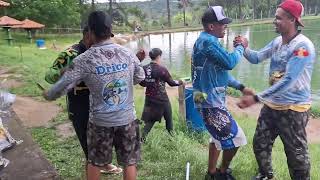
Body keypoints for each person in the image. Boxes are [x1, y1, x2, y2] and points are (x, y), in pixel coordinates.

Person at [43, 11, 145, 180]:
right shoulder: (127, 53)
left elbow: (60, 87)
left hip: (100, 122)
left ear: (90, 31)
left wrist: (48, 94)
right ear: (110, 30)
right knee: (129, 162)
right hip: (127, 118)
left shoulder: (84, 59)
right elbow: (140, 77)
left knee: (94, 162)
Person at [238, 1, 315, 179]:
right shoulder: (278, 42)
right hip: (272, 106)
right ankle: (266, 175)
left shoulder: (302, 47)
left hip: (293, 109)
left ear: (291, 20)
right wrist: (243, 47)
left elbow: (288, 81)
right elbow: (257, 58)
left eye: (278, 18)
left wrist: (256, 98)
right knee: (260, 143)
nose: (275, 21)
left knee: (296, 155)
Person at [44, 26, 123, 175]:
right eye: (99, 36)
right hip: (80, 103)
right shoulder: (71, 53)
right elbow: (49, 75)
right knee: (85, 135)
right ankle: (97, 165)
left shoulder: (101, 51)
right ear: (88, 35)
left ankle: (102, 162)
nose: (103, 40)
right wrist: (66, 72)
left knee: (102, 135)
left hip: (100, 101)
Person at [191, 6, 253, 180]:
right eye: (222, 24)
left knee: (217, 137)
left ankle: (211, 173)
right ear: (211, 26)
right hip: (209, 102)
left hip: (204, 98)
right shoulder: (208, 42)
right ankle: (223, 172)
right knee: (236, 139)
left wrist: (240, 87)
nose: (225, 27)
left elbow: (220, 73)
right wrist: (241, 47)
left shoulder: (204, 40)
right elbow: (229, 62)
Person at [139, 48, 183, 142]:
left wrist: (150, 82)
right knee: (169, 118)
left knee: (151, 120)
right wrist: (180, 82)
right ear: (159, 56)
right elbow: (171, 83)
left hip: (149, 98)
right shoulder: (162, 69)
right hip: (161, 99)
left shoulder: (144, 68)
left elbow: (142, 83)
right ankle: (172, 138)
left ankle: (141, 139)